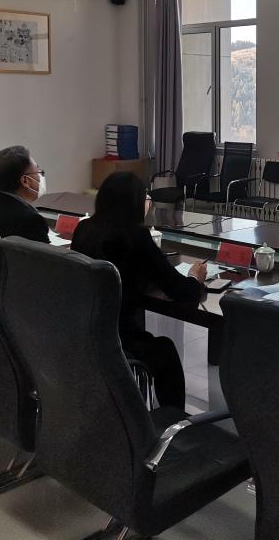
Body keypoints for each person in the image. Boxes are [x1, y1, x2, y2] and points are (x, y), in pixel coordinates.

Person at [70, 171, 207, 409]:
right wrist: (195, 277)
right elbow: (179, 290)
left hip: (83, 333)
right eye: (145, 197)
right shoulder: (135, 235)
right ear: (134, 204)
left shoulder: (84, 228)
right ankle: (171, 422)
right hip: (119, 340)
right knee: (165, 350)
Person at [0, 146, 49, 243]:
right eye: (39, 172)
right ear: (25, 181)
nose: (41, 177)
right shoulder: (32, 220)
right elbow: (45, 252)